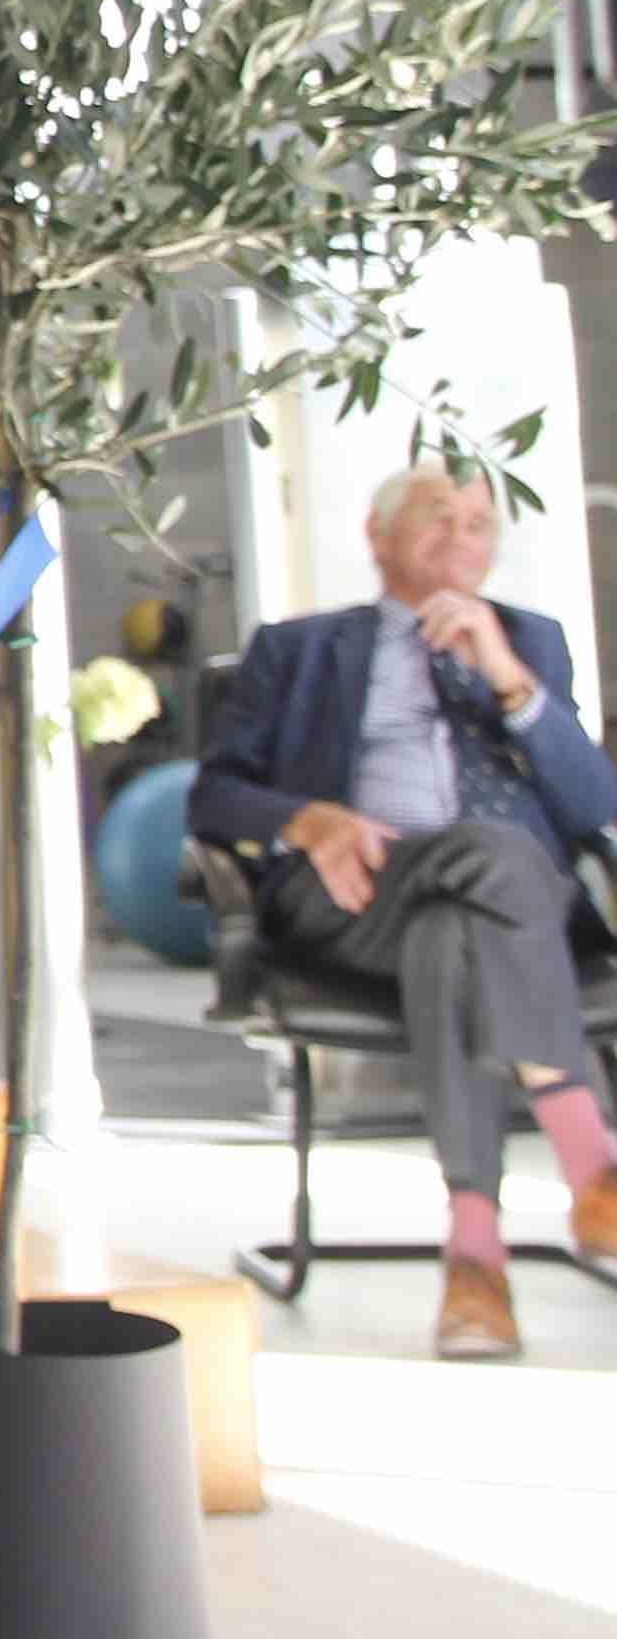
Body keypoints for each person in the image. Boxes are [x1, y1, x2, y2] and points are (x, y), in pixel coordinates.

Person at [187, 461, 617, 1360]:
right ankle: (588, 1158)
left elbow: (588, 803)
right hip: (351, 898)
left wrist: (506, 677)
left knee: (458, 922)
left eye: (478, 521)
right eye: (435, 517)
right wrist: (306, 819)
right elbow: (214, 798)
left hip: (504, 912)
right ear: (377, 537)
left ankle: (474, 1260)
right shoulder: (299, 649)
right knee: (493, 859)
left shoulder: (530, 642)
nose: (461, 536)